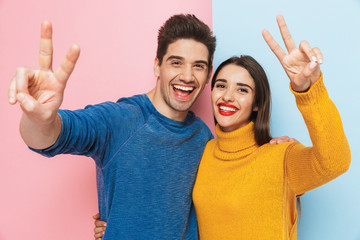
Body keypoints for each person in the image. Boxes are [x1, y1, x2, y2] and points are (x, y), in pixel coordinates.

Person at [93, 15, 351, 240]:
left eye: (242, 90)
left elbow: (334, 161)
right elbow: (170, 206)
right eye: (221, 85)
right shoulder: (202, 149)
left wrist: (308, 89)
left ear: (257, 104)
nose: (228, 96)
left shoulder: (280, 157)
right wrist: (117, 226)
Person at [8, 14, 216, 239]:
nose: (187, 76)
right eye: (176, 62)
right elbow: (54, 135)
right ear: (157, 66)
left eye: (198, 66)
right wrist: (40, 119)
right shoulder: (120, 120)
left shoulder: (203, 136)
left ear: (208, 75)